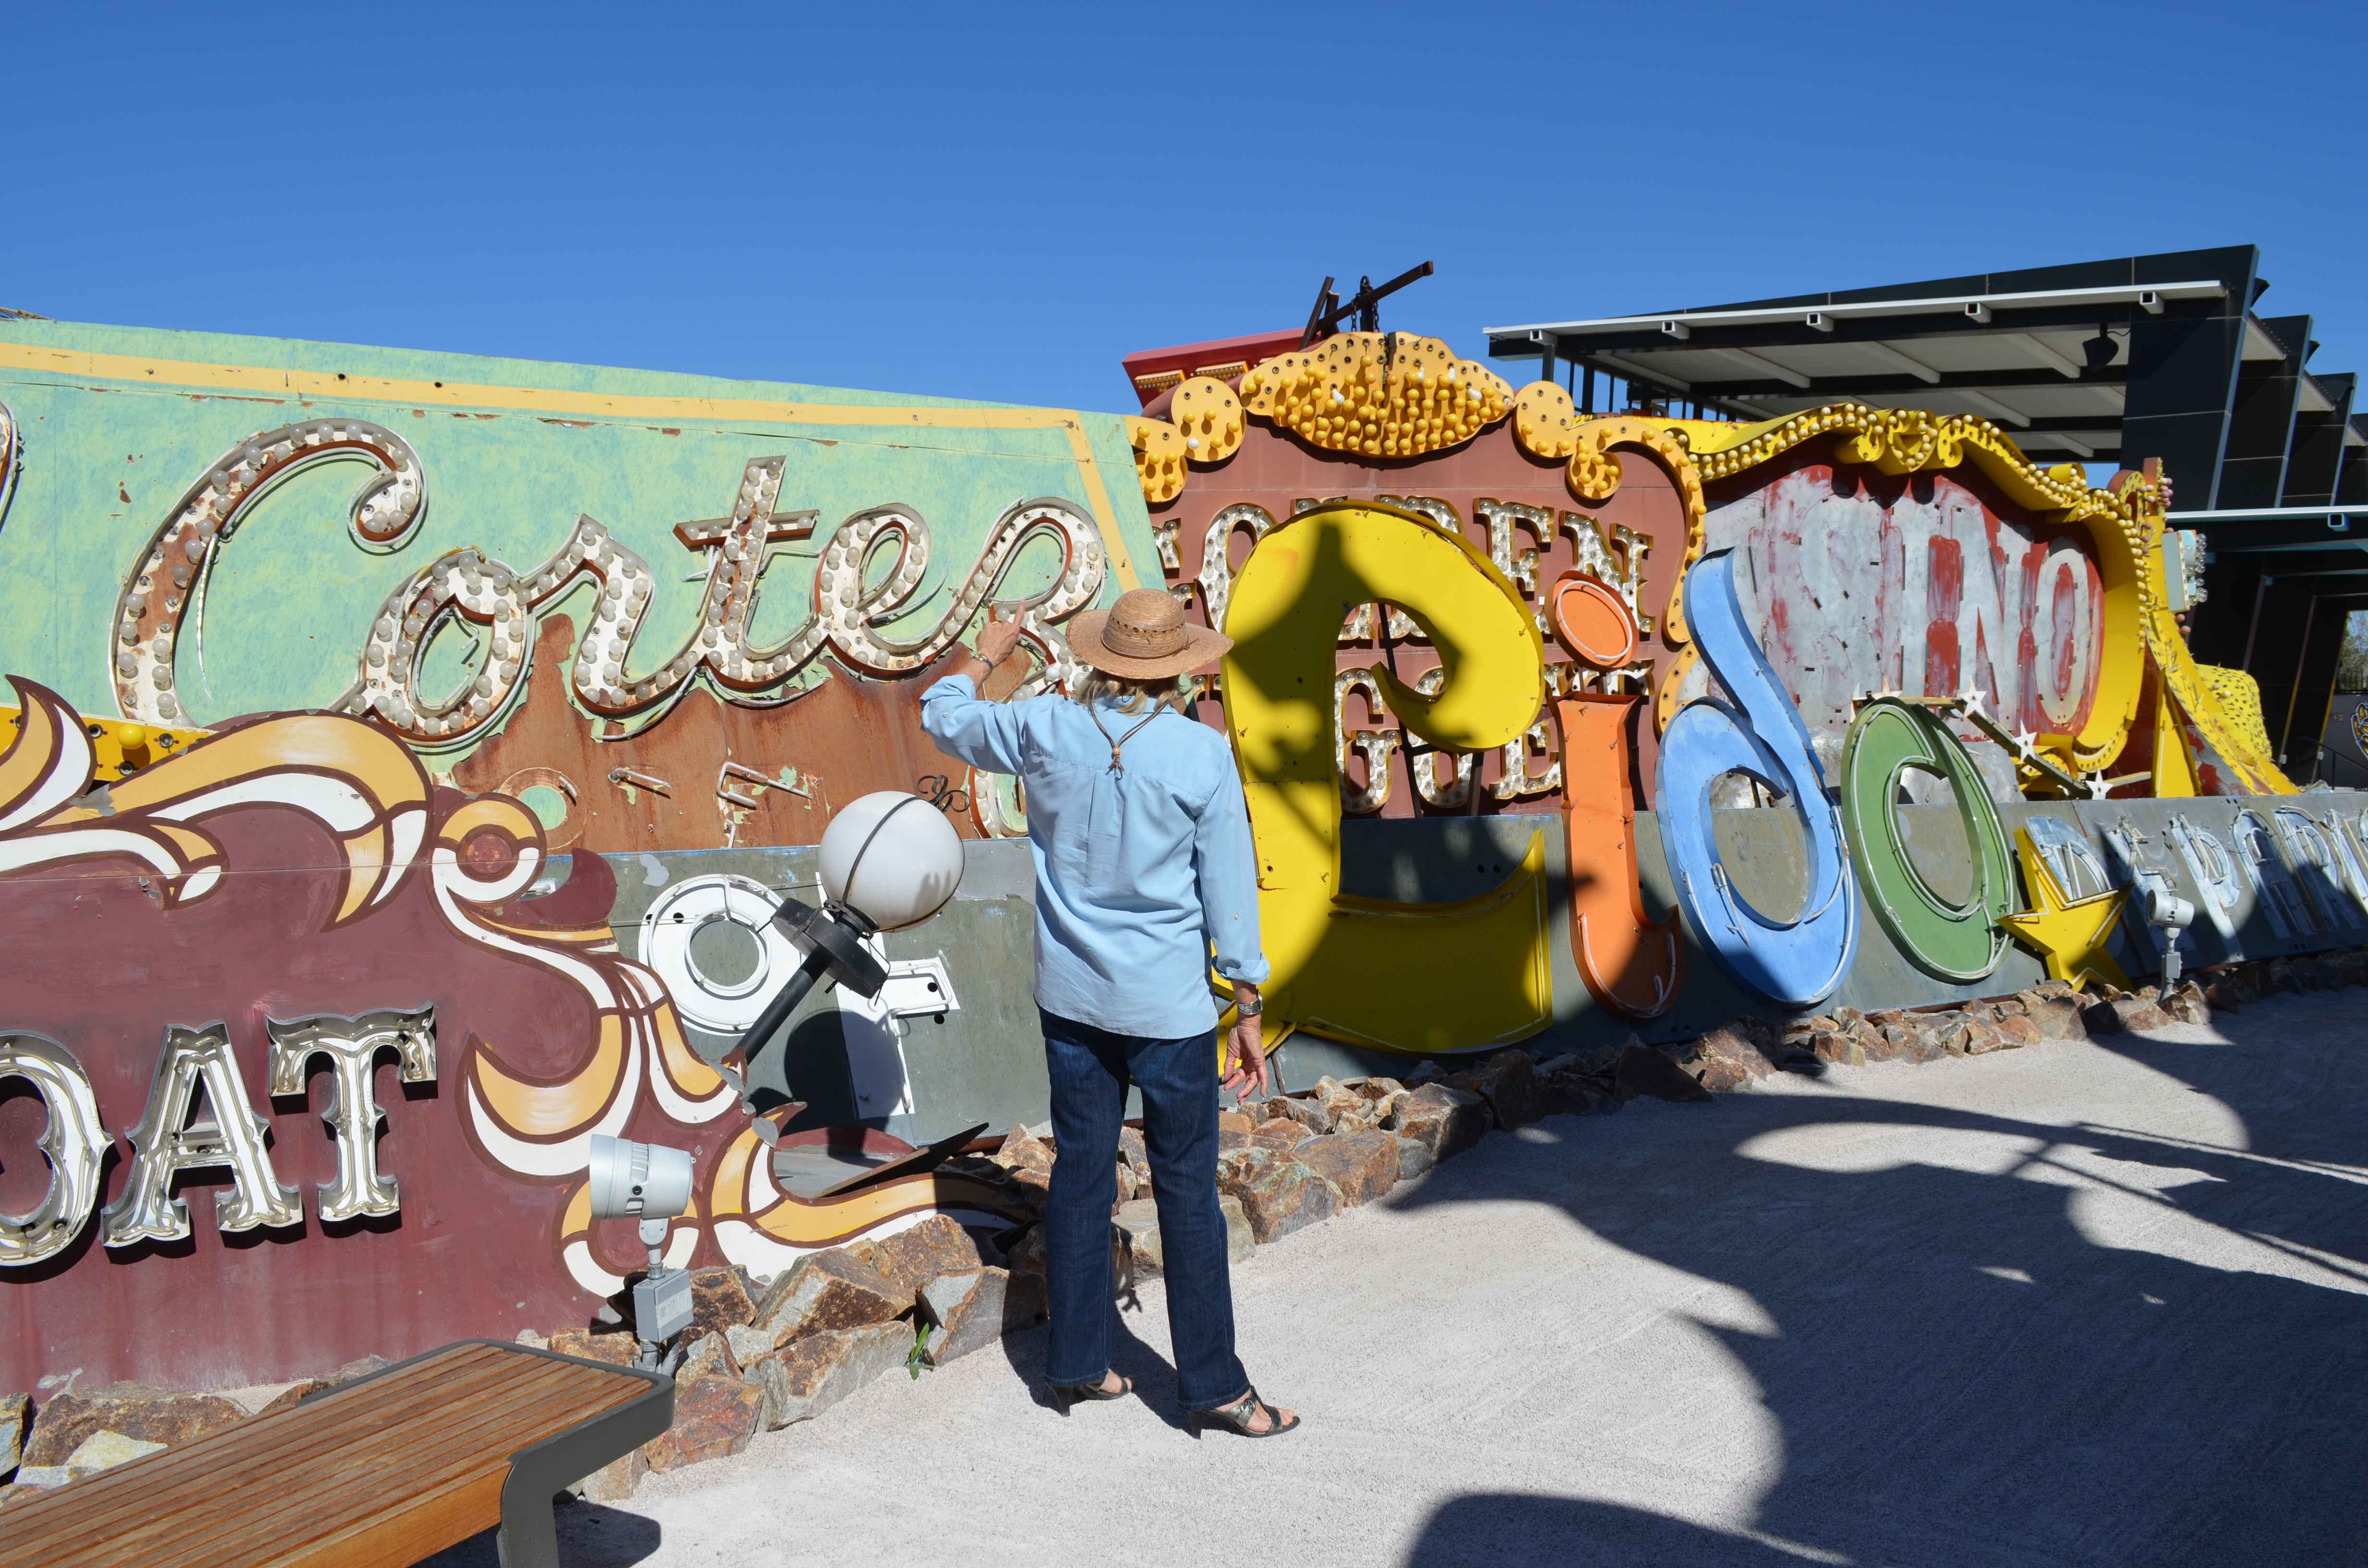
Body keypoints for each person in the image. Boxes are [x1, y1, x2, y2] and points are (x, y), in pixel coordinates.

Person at [920, 588, 1299, 1439]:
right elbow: (1229, 892)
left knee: (1083, 1178)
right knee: (1187, 1194)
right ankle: (1216, 1388)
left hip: (1074, 1000)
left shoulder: (1046, 727)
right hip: (1167, 1010)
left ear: (1101, 658)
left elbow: (942, 716)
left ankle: (1079, 1365)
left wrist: (989, 651)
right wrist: (1247, 999)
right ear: (1180, 667)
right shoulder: (1200, 755)